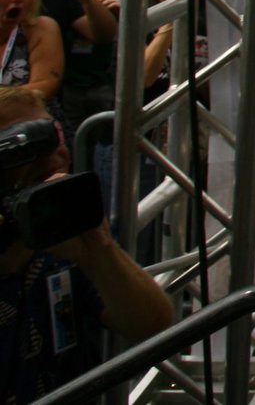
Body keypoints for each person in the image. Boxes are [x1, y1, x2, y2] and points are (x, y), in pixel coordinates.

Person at [0, 85, 173, 402]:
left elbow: (150, 324)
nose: (55, 156)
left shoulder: (66, 238)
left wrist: (98, 251)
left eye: (54, 140)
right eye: (21, 147)